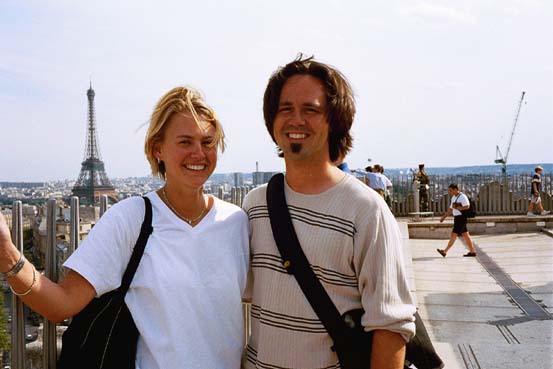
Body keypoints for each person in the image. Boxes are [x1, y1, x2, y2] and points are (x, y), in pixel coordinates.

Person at [0, 86, 249, 369]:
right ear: (158, 149)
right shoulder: (130, 219)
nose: (198, 153)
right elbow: (63, 303)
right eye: (185, 142)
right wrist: (6, 253)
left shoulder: (235, 221)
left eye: (207, 142)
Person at [242, 56, 416, 369]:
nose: (296, 120)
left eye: (310, 110)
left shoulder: (365, 211)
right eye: (286, 109)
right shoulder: (255, 206)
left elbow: (390, 326)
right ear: (272, 121)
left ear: (334, 120)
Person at [436, 183, 477, 257]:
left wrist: (458, 207)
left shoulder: (462, 196)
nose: (450, 192)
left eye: (451, 190)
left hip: (461, 217)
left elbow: (467, 206)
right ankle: (472, 251)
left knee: (453, 234)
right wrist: (444, 217)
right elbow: (450, 209)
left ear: (455, 189)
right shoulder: (453, 198)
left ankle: (445, 251)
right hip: (457, 218)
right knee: (466, 235)